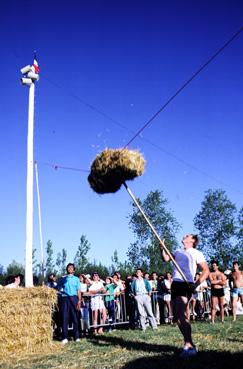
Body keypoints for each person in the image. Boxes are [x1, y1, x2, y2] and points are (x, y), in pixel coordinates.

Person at [160, 234, 209, 358]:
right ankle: (190, 343)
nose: (184, 235)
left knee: (182, 314)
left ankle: (188, 345)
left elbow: (206, 270)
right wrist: (162, 248)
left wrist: (196, 284)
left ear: (192, 240)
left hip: (186, 284)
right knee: (176, 317)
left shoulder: (196, 253)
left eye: (188, 235)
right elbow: (166, 259)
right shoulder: (177, 251)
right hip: (175, 283)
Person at [57, 263, 81, 344]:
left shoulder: (76, 279)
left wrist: (79, 301)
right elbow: (58, 288)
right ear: (67, 269)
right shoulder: (63, 279)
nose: (70, 269)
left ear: (74, 270)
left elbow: (78, 291)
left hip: (74, 298)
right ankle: (64, 337)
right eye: (69, 267)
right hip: (65, 299)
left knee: (75, 318)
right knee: (65, 318)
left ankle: (76, 336)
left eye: (71, 268)